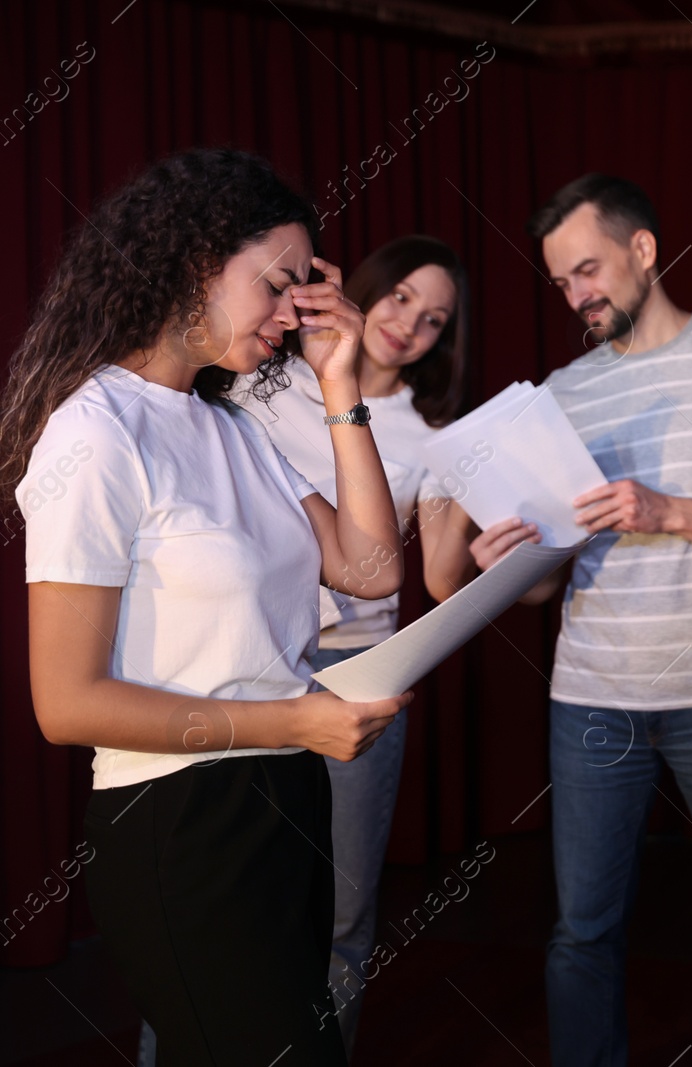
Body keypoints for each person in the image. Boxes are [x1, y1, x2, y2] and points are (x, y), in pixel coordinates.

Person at [1, 147, 408, 1065]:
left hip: (284, 791)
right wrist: (294, 719)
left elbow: (374, 568)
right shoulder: (95, 433)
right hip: (181, 817)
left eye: (306, 291)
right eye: (278, 285)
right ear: (195, 261)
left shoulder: (234, 427)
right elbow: (65, 704)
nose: (291, 313)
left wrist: (340, 383)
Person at [459, 173, 692, 1066]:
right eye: (560, 282)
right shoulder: (559, 394)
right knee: (582, 933)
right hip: (592, 699)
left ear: (644, 250)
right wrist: (508, 566)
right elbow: (550, 581)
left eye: (587, 268)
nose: (577, 294)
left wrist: (671, 512)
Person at [133, 234, 481, 1063]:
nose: (409, 326)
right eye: (399, 298)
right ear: (361, 290)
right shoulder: (264, 372)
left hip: (355, 670)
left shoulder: (437, 430)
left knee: (339, 915)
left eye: (434, 320)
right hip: (244, 660)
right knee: (210, 914)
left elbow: (430, 575)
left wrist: (485, 555)